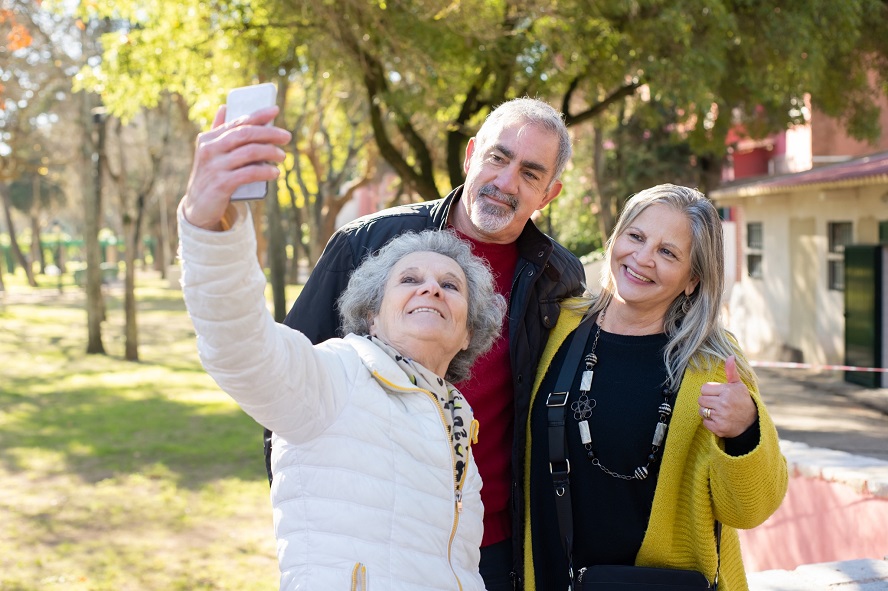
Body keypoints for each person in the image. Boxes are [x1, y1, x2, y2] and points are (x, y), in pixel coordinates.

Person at [177, 104, 506, 589]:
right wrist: (209, 227)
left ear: (467, 333)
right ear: (371, 314)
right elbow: (240, 346)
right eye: (409, 279)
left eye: (450, 286)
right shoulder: (337, 376)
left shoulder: (456, 419)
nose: (431, 289)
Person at [275, 97, 586, 589]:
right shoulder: (366, 243)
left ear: (549, 193)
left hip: (493, 543)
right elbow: (282, 386)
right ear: (470, 156)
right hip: (373, 538)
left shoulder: (558, 277)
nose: (506, 183)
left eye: (530, 173)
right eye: (498, 157)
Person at [523, 184, 788, 590]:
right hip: (549, 577)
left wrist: (744, 429)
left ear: (692, 279)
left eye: (668, 252)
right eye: (636, 236)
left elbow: (750, 509)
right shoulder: (557, 325)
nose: (642, 258)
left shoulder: (712, 364)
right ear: (616, 238)